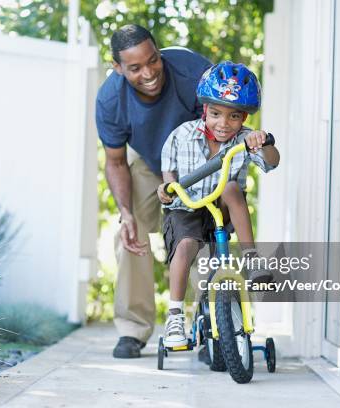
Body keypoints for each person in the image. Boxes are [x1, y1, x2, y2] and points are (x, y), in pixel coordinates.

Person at [95, 24, 212, 358]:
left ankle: (212, 328)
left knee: (201, 236)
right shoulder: (109, 100)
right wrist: (127, 213)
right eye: (134, 68)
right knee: (129, 235)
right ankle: (133, 329)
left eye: (153, 60)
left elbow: (221, 127)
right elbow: (115, 162)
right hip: (148, 163)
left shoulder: (194, 74)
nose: (149, 73)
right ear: (118, 68)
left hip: (197, 162)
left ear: (159, 51)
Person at [156, 61, 280, 348]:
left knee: (232, 186)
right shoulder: (181, 136)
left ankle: (251, 260)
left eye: (234, 116)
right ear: (204, 110)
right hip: (186, 209)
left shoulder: (246, 140)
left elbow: (272, 163)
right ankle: (175, 314)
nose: (223, 124)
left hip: (222, 212)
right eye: (215, 114)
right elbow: (168, 181)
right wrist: (165, 190)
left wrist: (263, 142)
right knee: (186, 246)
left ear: (244, 117)